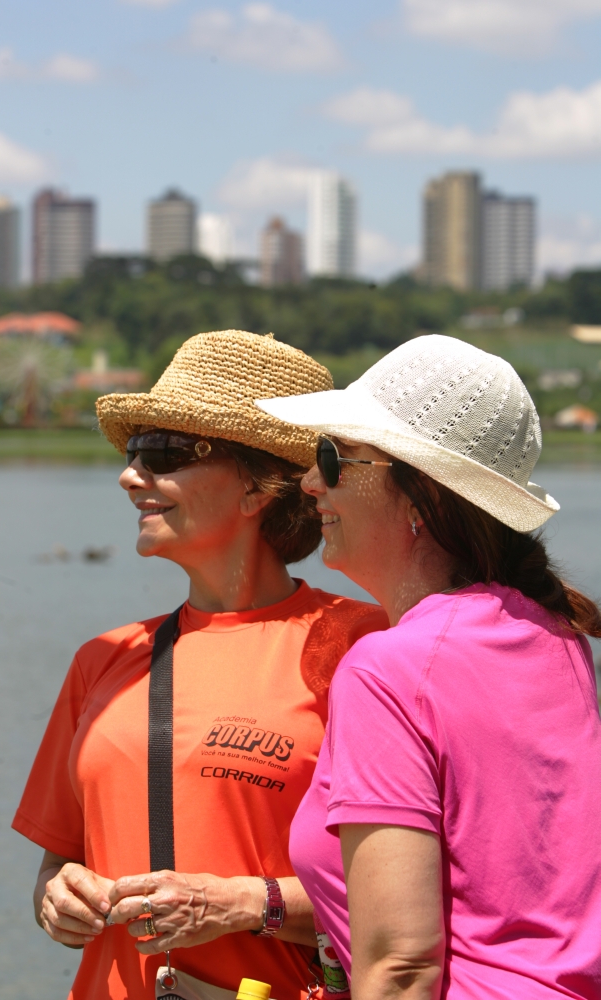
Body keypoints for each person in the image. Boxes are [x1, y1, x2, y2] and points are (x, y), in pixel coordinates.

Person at [12, 330, 388, 1000]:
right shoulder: (103, 660)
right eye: (134, 452)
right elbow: (57, 864)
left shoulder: (362, 647)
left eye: (165, 454)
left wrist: (246, 904)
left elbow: (418, 903)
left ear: (260, 489)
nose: (131, 475)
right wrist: (57, 898)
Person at [257, 334, 601, 1000]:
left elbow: (403, 966)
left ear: (421, 498)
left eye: (333, 457)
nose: (308, 481)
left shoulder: (390, 668)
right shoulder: (552, 634)